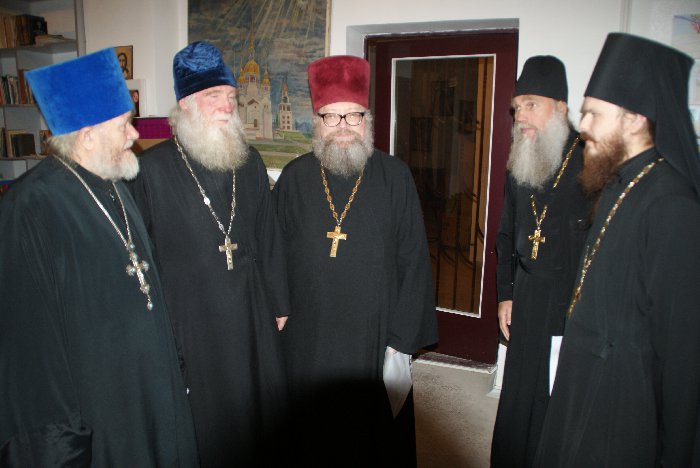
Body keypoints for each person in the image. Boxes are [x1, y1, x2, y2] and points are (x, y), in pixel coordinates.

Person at [0, 49, 198, 466]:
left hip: (151, 397)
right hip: (102, 418)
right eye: (124, 124)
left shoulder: (116, 185)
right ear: (87, 134)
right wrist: (61, 449)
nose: (134, 135)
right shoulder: (29, 208)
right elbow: (32, 352)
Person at [534, 33, 700, 467]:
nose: (583, 125)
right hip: (584, 380)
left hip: (622, 404)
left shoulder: (672, 205)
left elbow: (683, 354)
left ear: (634, 119)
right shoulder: (616, 184)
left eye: (593, 113)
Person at [272, 55, 438, 467]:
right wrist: (277, 307)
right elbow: (273, 250)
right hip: (308, 336)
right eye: (332, 116)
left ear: (367, 119)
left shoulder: (395, 177)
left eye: (354, 115)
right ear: (317, 121)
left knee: (369, 439)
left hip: (372, 333)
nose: (344, 126)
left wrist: (402, 338)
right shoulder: (294, 178)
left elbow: (414, 260)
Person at [130, 41, 290, 467]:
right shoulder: (151, 170)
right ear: (185, 103)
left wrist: (280, 301)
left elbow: (268, 234)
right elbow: (140, 255)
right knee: (205, 420)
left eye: (231, 96)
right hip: (190, 313)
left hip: (250, 309)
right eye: (213, 96)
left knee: (256, 411)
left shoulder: (249, 161)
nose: (227, 106)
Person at [490, 56, 591, 468]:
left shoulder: (591, 160)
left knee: (555, 399)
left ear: (561, 108)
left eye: (531, 105)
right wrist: (506, 292)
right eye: (517, 107)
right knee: (519, 390)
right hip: (528, 292)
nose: (520, 116)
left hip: (571, 300)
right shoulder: (523, 157)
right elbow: (506, 233)